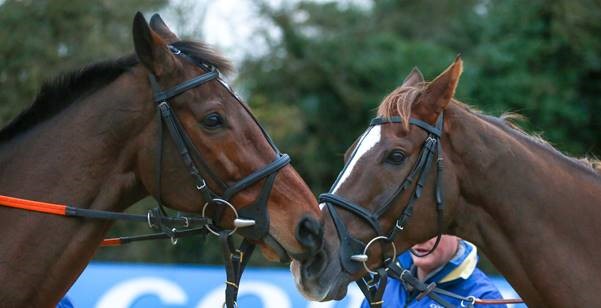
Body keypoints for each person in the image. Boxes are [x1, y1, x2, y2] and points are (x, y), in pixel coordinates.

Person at [361, 235, 506, 308]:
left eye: (433, 231)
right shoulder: (386, 281)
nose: (421, 238)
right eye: (416, 227)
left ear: (458, 232)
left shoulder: (484, 298)